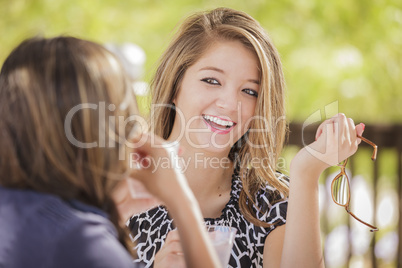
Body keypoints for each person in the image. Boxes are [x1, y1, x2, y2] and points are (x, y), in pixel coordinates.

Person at [128, 7, 366, 267]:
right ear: (175, 85)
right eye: (212, 80)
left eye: (249, 91)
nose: (231, 104)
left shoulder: (270, 205)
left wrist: (306, 173)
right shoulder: (116, 191)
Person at [0, 36, 220, 268]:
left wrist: (111, 214)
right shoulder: (82, 245)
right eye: (126, 113)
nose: (136, 126)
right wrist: (182, 202)